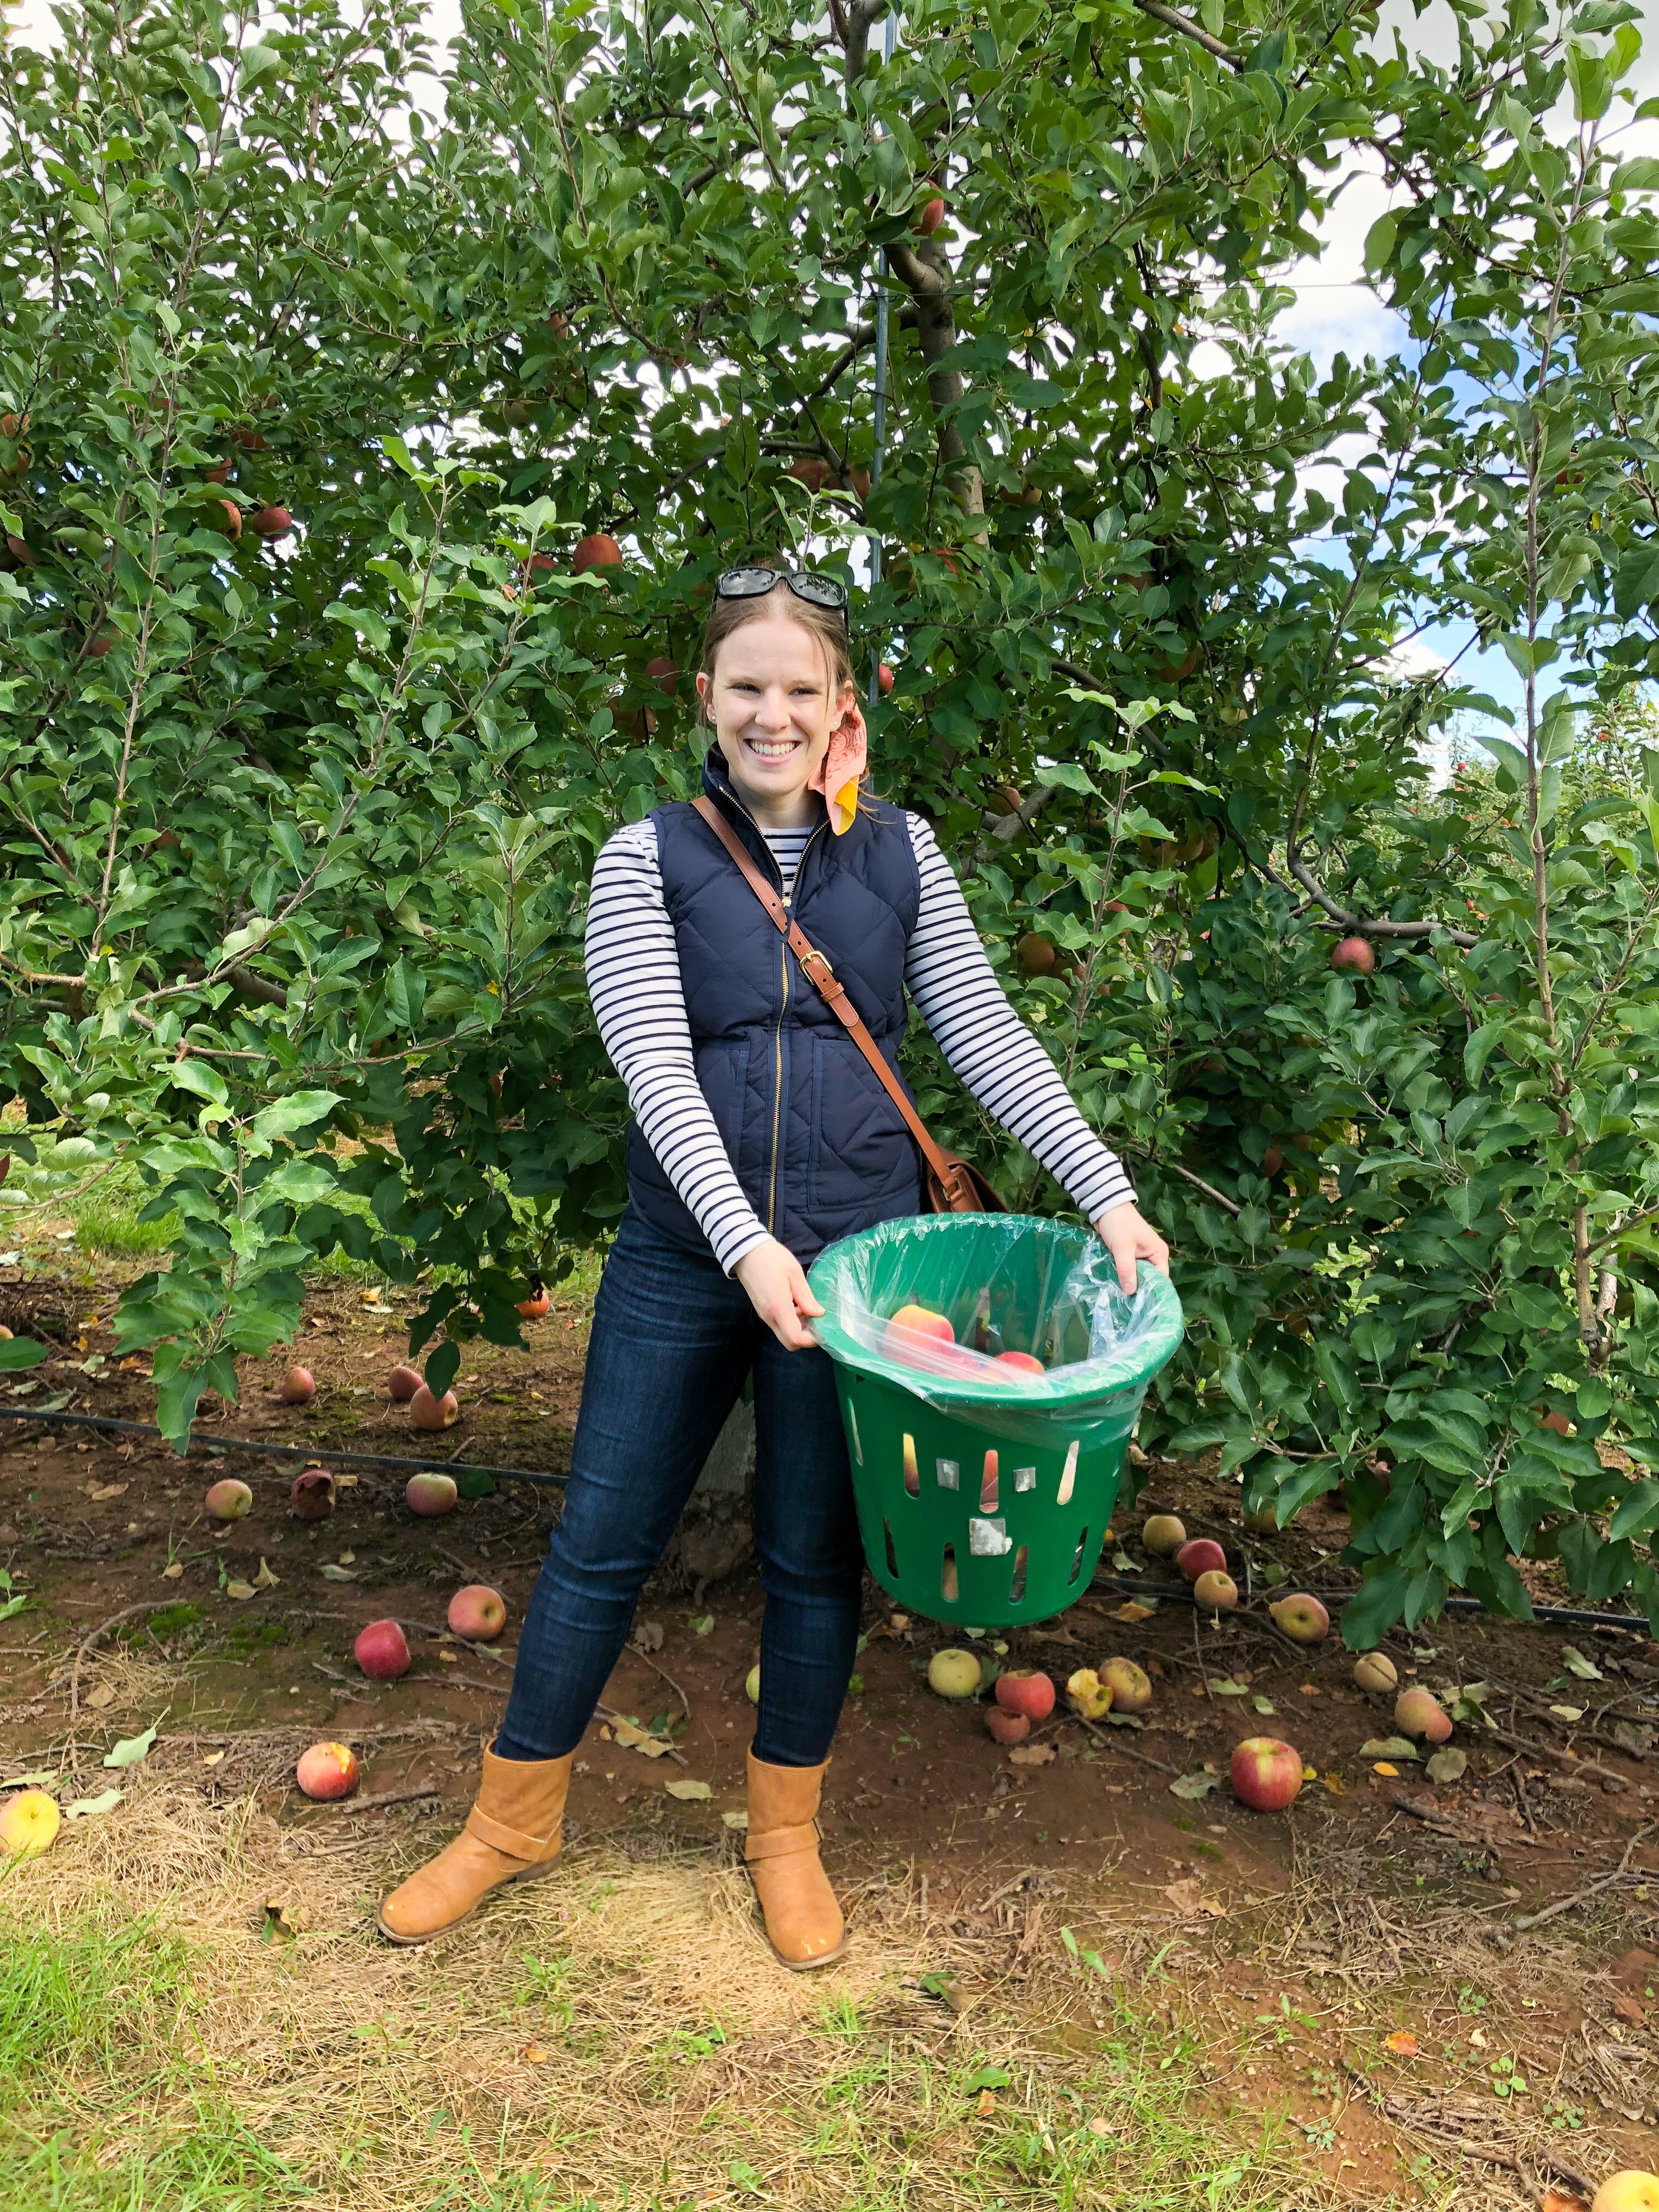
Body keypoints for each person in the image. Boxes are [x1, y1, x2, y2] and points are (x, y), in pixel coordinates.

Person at [377, 565, 1171, 1963]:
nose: (771, 713)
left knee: (811, 1558)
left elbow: (982, 1033)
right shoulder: (647, 858)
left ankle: (786, 1839)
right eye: (746, 686)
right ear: (706, 700)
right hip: (689, 1260)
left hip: (863, 1279)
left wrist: (1104, 1193)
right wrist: (742, 1242)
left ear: (840, 709)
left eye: (800, 690)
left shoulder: (904, 857)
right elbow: (656, 1071)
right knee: (599, 1542)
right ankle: (512, 1820)